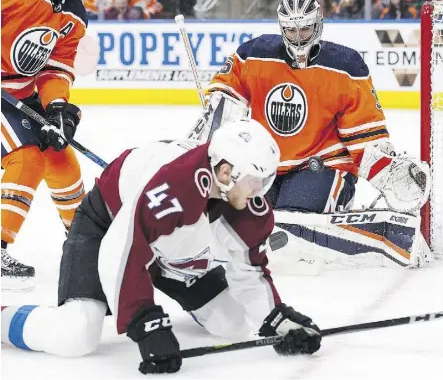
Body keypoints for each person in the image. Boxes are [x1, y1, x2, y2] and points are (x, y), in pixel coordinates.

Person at [1, 120, 322, 374]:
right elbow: (122, 247)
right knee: (75, 334)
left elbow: (249, 271)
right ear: (226, 171)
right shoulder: (176, 187)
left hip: (170, 251)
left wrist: (279, 320)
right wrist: (145, 319)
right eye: (255, 181)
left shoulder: (243, 203)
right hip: (109, 227)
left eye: (264, 182)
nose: (259, 193)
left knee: (233, 324)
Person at [188, 0, 429, 262]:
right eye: (291, 31)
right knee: (249, 218)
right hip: (269, 166)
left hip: (324, 164)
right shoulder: (253, 55)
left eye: (305, 29)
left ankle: (344, 209)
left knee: (294, 220)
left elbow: (364, 136)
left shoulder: (346, 66)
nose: (298, 37)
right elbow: (224, 96)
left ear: (319, 25)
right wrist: (209, 137)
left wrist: (386, 171)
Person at [1, 0, 96, 290]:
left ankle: (84, 243)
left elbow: (55, 68)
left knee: (59, 154)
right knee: (26, 159)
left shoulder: (74, 13)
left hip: (20, 93)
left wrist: (57, 108)